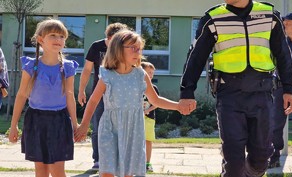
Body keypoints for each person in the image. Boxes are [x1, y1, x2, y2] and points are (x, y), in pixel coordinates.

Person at [179, 0, 292, 177]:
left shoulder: (269, 15)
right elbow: (196, 57)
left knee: (261, 160)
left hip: (262, 94)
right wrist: (187, 91)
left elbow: (283, 54)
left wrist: (289, 88)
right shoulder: (213, 18)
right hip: (230, 95)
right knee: (233, 162)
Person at [75, 29, 194, 177]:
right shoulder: (107, 75)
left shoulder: (140, 75)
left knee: (128, 173)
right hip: (110, 129)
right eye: (133, 48)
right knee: (107, 172)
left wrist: (178, 106)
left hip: (133, 130)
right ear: (118, 49)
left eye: (139, 49)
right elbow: (93, 100)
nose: (138, 52)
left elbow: (155, 100)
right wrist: (85, 124)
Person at [8, 19, 79, 177]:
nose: (58, 39)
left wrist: (75, 124)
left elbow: (69, 96)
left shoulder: (68, 67)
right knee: (41, 170)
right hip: (36, 121)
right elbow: (21, 95)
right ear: (41, 40)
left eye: (61, 36)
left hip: (60, 121)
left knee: (58, 170)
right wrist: (14, 125)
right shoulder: (31, 66)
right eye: (53, 35)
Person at [78, 22, 128, 169]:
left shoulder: (124, 48)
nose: (120, 44)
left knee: (118, 128)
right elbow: (87, 70)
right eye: (117, 40)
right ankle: (98, 159)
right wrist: (81, 90)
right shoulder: (97, 47)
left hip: (119, 94)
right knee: (98, 126)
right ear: (110, 37)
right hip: (99, 94)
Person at [268, 13, 292, 168]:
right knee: (275, 123)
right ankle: (273, 157)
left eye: (287, 23)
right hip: (282, 88)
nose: (284, 26)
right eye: (283, 23)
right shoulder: (279, 44)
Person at [141, 61, 158, 173]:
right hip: (136, 118)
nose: (151, 75)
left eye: (152, 73)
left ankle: (147, 162)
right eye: (149, 73)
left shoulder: (153, 88)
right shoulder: (136, 87)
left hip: (149, 119)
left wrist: (147, 110)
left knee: (148, 140)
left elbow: (156, 103)